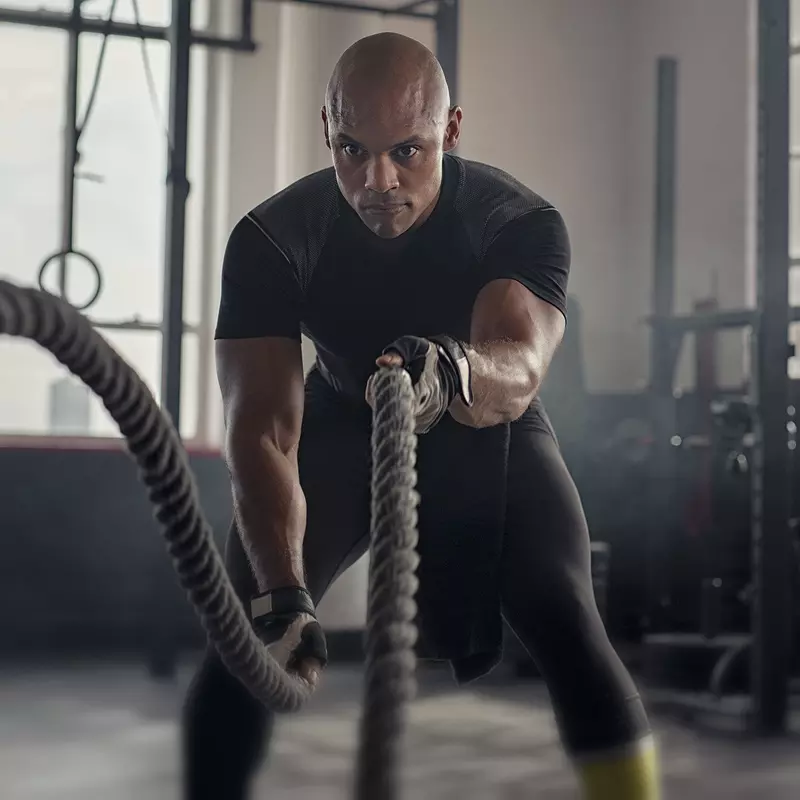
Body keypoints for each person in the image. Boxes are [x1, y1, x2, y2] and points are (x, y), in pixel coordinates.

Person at [182, 32, 661, 800]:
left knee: (566, 616)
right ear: (325, 130)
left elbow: (520, 366)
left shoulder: (515, 221)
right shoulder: (272, 240)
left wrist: (453, 368)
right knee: (247, 640)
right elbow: (264, 426)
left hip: (483, 420)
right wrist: (282, 591)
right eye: (352, 149)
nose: (377, 181)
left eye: (408, 150)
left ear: (452, 131)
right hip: (342, 420)